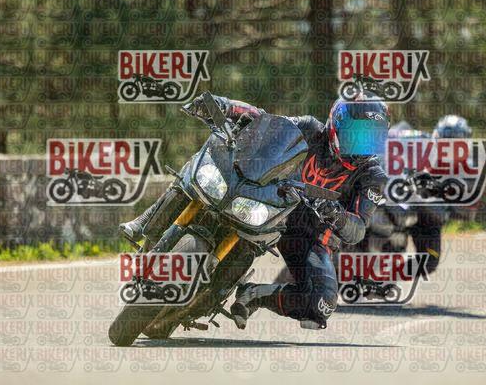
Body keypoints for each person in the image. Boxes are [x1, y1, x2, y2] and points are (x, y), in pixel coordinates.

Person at [119, 93, 389, 329]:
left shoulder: (372, 176)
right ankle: (146, 220)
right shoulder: (310, 129)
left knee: (322, 304)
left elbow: (358, 229)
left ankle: (254, 295)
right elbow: (263, 119)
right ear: (336, 124)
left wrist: (337, 215)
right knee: (204, 164)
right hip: (272, 202)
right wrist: (224, 106)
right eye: (356, 136)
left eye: (370, 138)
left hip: (309, 234)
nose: (361, 146)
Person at [364, 116, 474, 274]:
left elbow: (465, 207)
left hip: (430, 215)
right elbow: (394, 136)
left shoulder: (465, 169)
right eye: (447, 142)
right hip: (403, 197)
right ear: (437, 136)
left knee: (429, 262)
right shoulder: (420, 140)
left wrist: (445, 205)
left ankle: (389, 274)